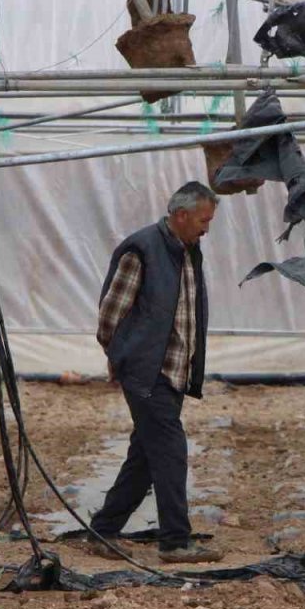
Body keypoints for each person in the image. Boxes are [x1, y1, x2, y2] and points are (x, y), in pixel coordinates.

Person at [87, 182, 225, 564]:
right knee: (169, 451)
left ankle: (104, 529)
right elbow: (110, 315)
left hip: (172, 372)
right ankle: (175, 541)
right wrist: (122, 358)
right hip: (148, 372)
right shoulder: (142, 249)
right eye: (203, 220)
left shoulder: (187, 251)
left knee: (146, 456)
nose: (206, 228)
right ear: (181, 215)